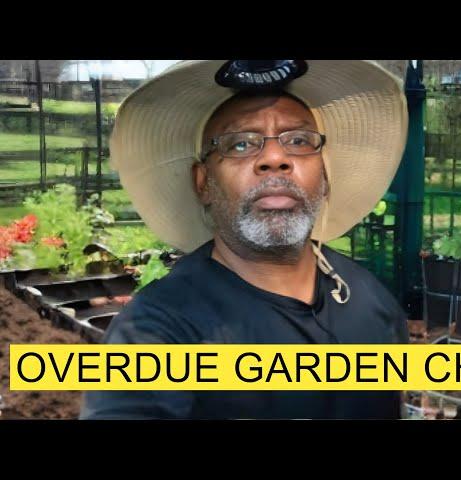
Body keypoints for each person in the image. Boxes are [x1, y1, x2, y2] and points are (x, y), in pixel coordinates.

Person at [80, 60, 409, 419]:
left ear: (326, 177)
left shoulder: (372, 302)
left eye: (298, 141)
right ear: (203, 183)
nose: (274, 158)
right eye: (239, 145)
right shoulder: (157, 333)